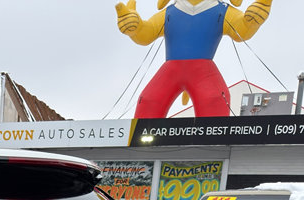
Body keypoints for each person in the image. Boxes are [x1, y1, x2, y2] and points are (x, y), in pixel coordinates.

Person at [114, 0, 273, 118]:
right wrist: (135, 28)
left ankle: (212, 152)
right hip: (172, 70)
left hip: (202, 71)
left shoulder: (222, 10)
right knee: (148, 100)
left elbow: (241, 30)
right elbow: (146, 34)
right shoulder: (170, 12)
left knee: (214, 99)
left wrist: (252, 21)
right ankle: (138, 152)